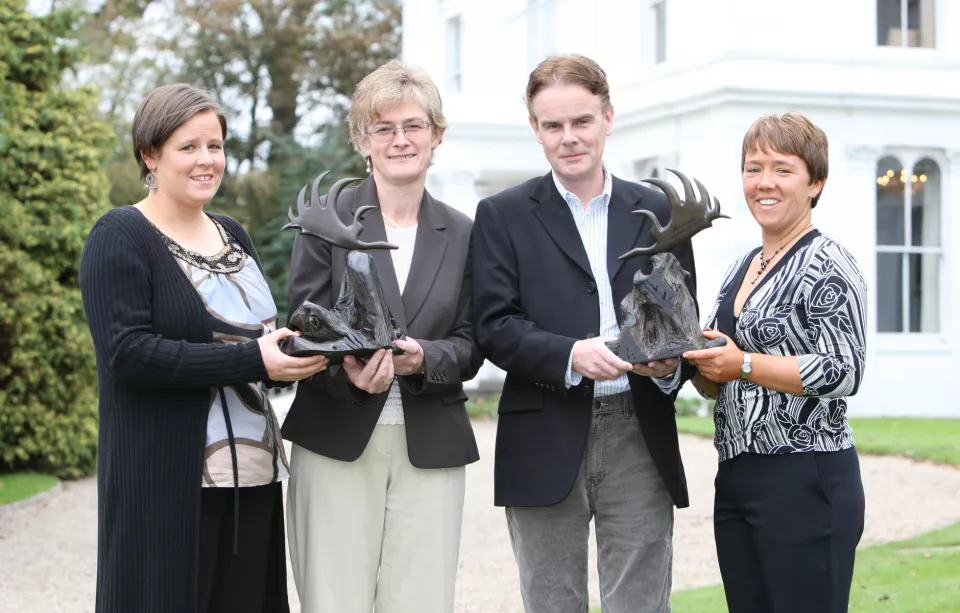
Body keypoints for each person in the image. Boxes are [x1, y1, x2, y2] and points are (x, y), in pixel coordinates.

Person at [79, 84, 328, 613]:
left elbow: (260, 340)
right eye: (188, 147)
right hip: (168, 479)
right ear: (150, 154)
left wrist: (295, 358)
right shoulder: (119, 236)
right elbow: (129, 354)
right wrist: (254, 360)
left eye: (214, 146)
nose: (206, 160)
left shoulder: (233, 234)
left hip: (254, 473)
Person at [471, 54, 696, 613]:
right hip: (543, 429)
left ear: (608, 118)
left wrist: (670, 365)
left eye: (582, 121)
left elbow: (681, 321)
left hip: (638, 430)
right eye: (553, 125)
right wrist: (571, 354)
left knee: (641, 604)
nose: (569, 138)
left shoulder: (661, 209)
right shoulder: (502, 214)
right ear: (536, 129)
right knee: (550, 603)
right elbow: (493, 326)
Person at [283, 59, 483, 613]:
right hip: (336, 436)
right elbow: (303, 323)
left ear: (436, 135)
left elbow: (471, 340)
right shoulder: (326, 219)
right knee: (334, 600)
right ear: (362, 140)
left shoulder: (465, 233)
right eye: (384, 128)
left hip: (430, 442)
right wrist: (345, 369)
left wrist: (425, 359)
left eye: (414, 126)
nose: (401, 140)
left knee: (420, 602)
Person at [683, 112, 867, 613]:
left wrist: (743, 364)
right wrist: (694, 366)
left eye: (783, 169)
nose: (764, 182)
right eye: (753, 167)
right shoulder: (741, 266)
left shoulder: (828, 263)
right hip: (739, 475)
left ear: (816, 184)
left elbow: (843, 370)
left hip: (806, 475)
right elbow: (724, 381)